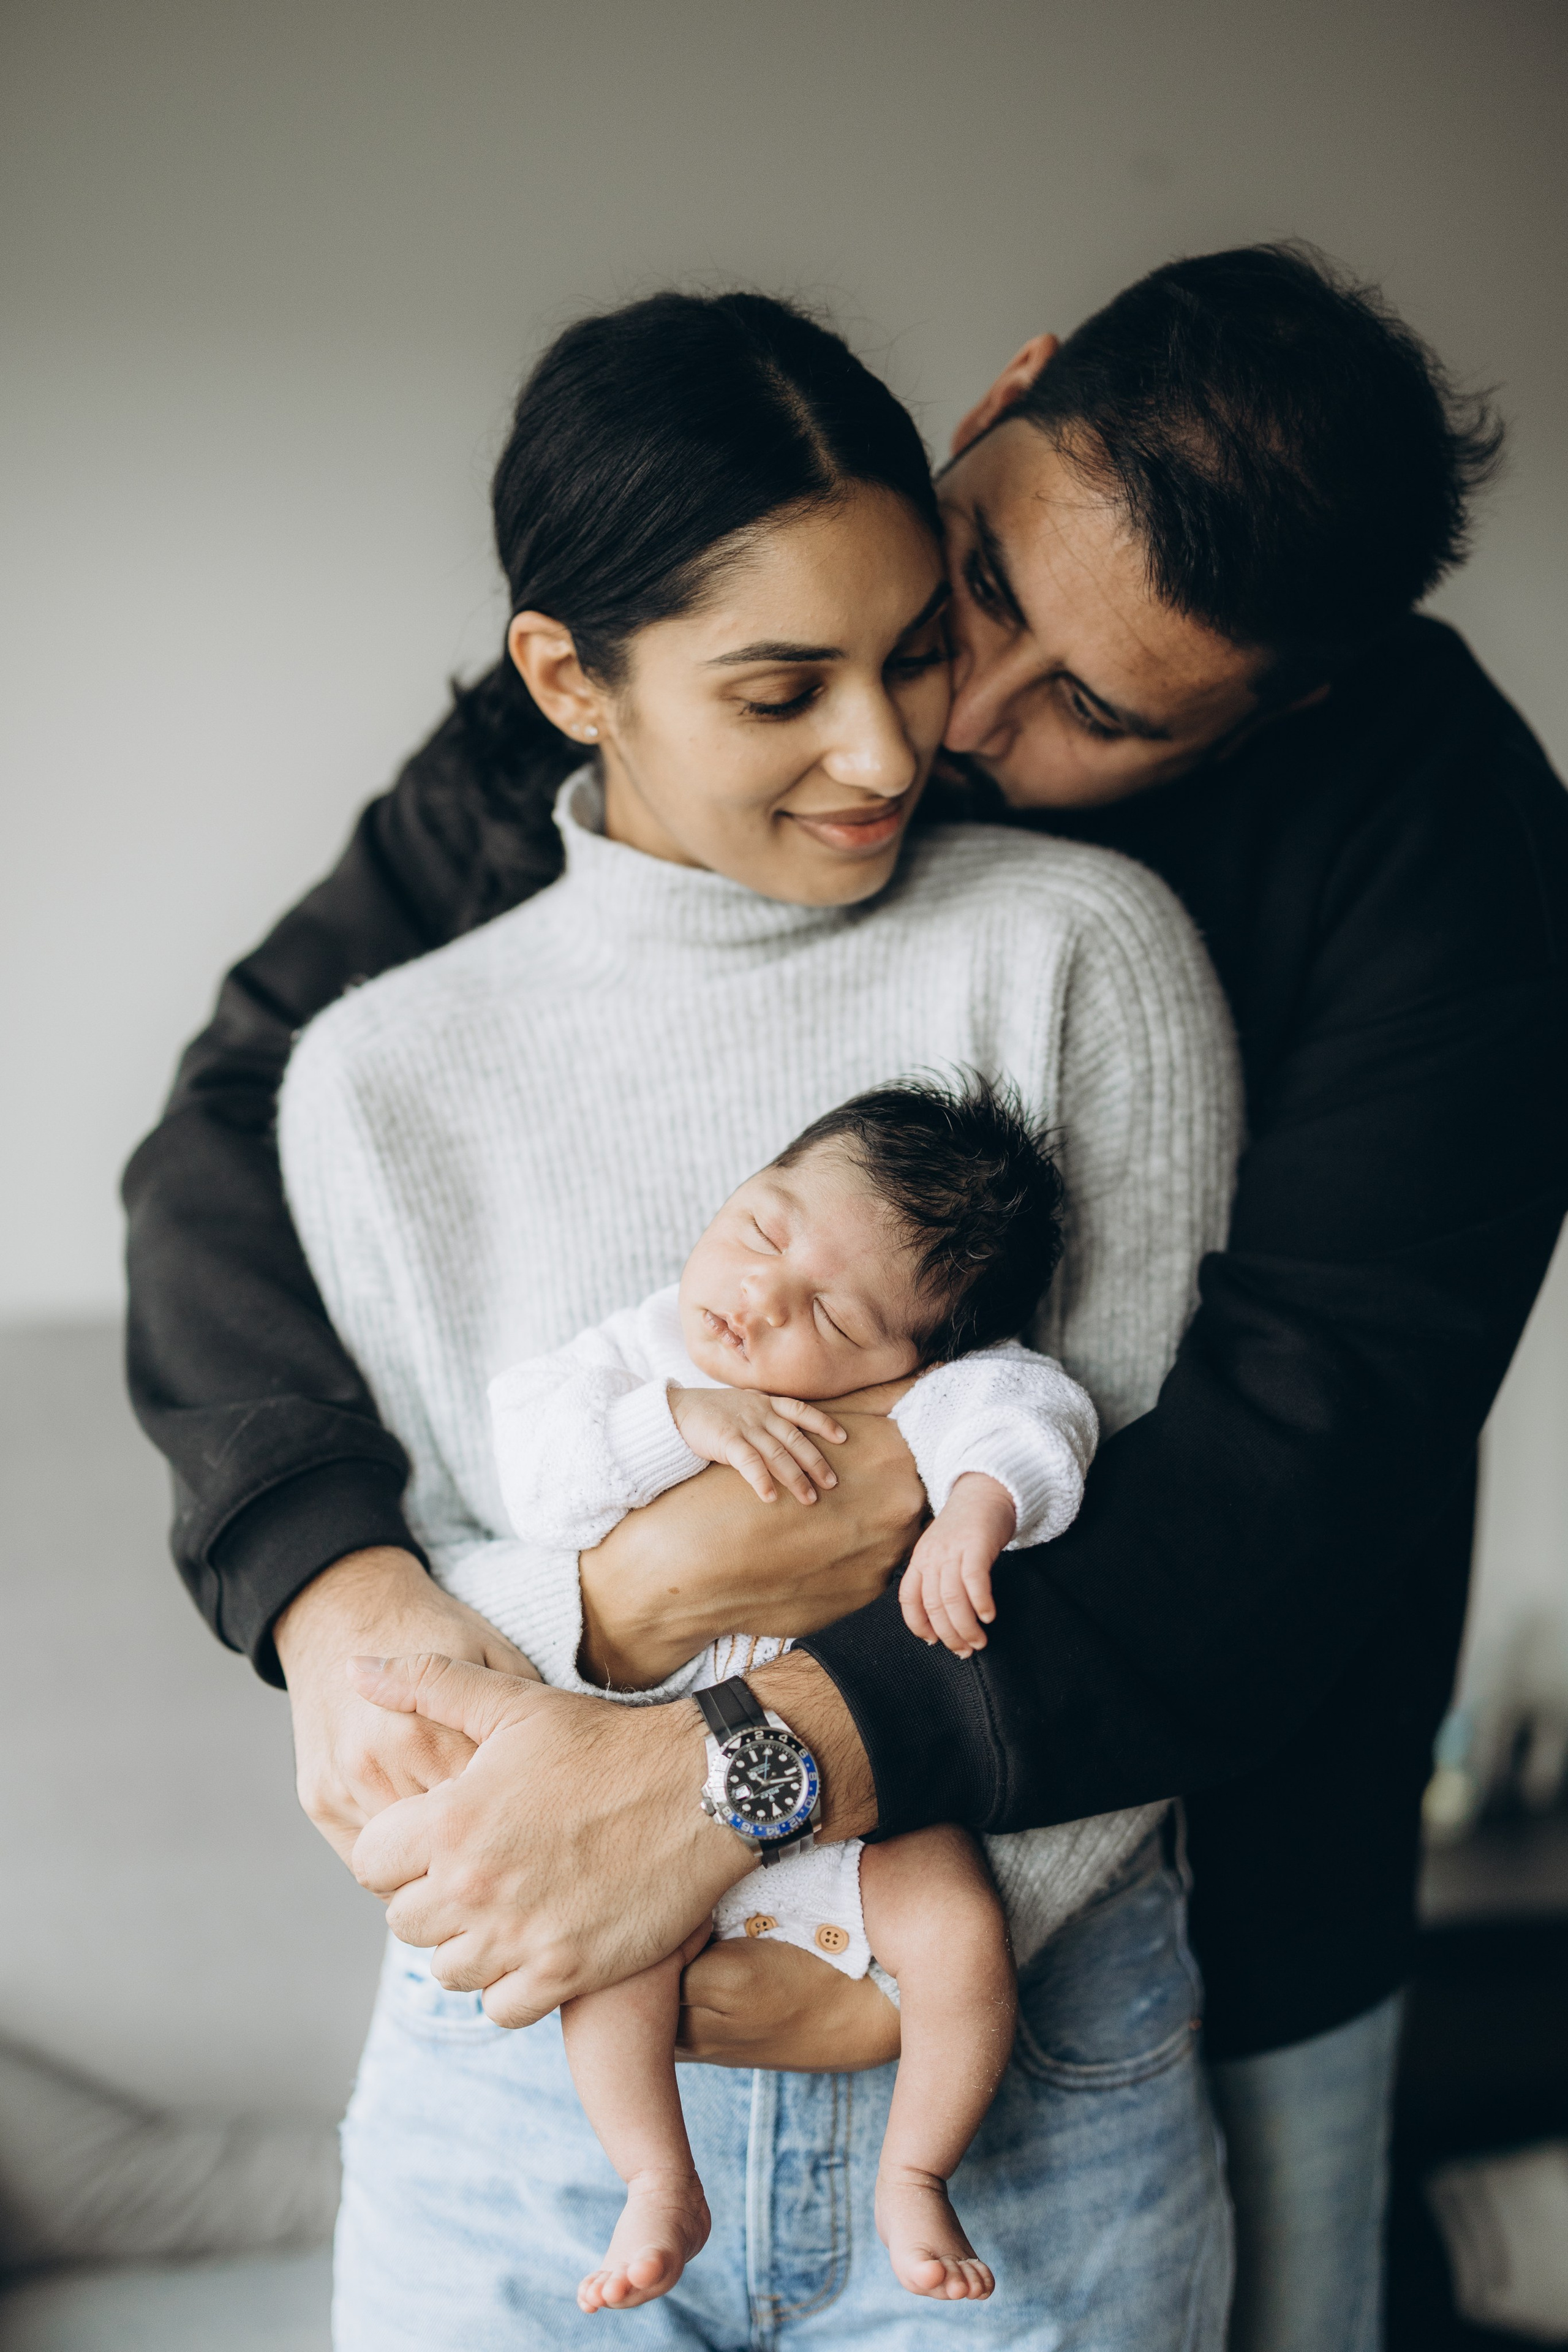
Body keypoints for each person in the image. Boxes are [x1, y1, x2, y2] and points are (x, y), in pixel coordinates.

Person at [122, 246, 1568, 2349]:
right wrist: (331, 1578)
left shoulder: (1436, 856)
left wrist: (726, 1780)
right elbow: (243, 1118)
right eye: (971, 584)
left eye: (1093, 711)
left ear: (1289, 704)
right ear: (1002, 397)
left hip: (1199, 1876)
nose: (934, 730)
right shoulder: (711, 668)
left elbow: (1292, 1479)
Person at [265, 286, 1240, 2345]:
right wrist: (633, 1652)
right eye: (782, 688)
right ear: (571, 677)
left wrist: (892, 1973)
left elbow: (1151, 1553)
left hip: (1011, 2056)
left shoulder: (1077, 957)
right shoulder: (378, 1078)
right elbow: (460, 1585)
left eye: (912, 651)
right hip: (531, 2071)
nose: (894, 749)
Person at [472, 1079, 1094, 2310]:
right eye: (761, 1230)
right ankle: (656, 2180)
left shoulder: (924, 1395)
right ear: (744, 1183)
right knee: (611, 1959)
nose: (757, 1300)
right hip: (639, 1799)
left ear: (916, 1353)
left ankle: (915, 2171)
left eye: (830, 1313)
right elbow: (534, 1475)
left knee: (960, 1931)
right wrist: (675, 1423)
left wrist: (977, 1507)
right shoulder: (638, 1358)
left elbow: (1035, 1412)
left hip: (850, 1808)